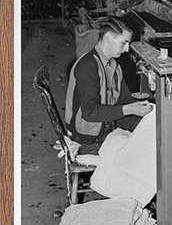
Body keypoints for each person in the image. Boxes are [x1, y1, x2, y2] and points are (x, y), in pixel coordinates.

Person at [64, 17, 152, 145]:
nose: (127, 49)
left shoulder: (114, 66)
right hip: (87, 137)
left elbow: (123, 99)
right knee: (142, 147)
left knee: (150, 131)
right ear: (107, 37)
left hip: (106, 125)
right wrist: (129, 109)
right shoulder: (88, 66)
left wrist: (142, 106)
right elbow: (89, 112)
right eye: (123, 43)